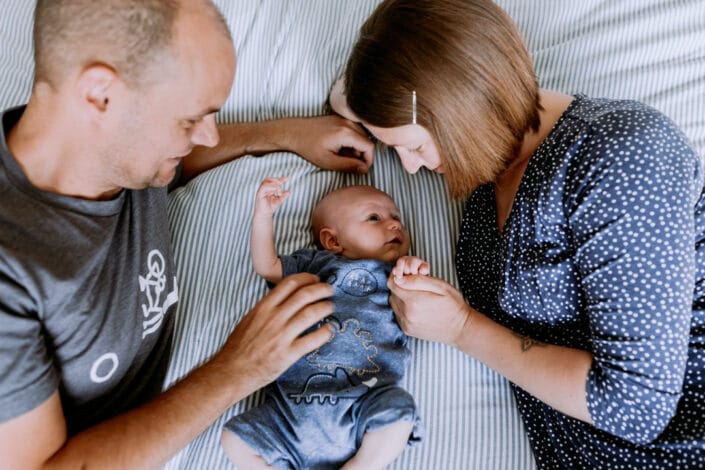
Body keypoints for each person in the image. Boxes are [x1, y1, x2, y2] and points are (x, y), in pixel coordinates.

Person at [329, 0, 705, 467]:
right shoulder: (489, 173)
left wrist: (461, 328)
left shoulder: (621, 152)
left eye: (414, 147)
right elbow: (352, 95)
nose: (410, 167)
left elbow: (637, 407)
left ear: (458, 107)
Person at [0, 0, 374, 468]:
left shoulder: (105, 149)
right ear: (99, 94)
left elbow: (163, 168)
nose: (209, 136)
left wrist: (284, 133)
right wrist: (239, 368)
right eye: (189, 119)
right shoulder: (12, 272)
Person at [220, 178, 424, 469]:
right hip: (291, 413)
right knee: (233, 438)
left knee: (400, 411)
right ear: (333, 241)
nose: (394, 225)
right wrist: (263, 216)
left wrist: (416, 276)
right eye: (374, 217)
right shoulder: (318, 263)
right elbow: (268, 266)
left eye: (396, 218)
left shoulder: (398, 275)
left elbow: (420, 309)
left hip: (364, 404)